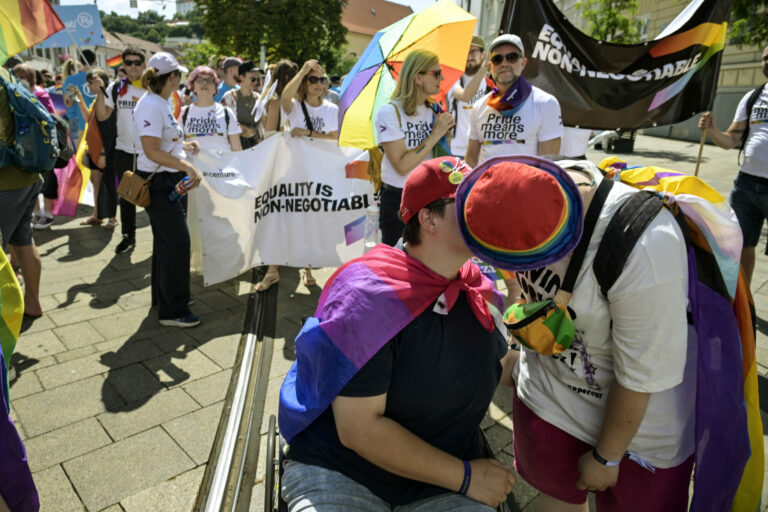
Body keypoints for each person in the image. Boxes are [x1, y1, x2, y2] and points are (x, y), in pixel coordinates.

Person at [279, 157, 521, 511]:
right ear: (428, 219)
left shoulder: (476, 286)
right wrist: (467, 477)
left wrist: (542, 335)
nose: (486, 213)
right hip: (345, 470)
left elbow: (503, 369)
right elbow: (359, 430)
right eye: (470, 204)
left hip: (445, 470)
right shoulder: (367, 296)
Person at [457, 156, 694, 512]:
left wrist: (607, 456)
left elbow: (641, 375)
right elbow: (523, 293)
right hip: (548, 399)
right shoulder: (516, 199)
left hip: (636, 430)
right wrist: (517, 344)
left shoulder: (645, 245)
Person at [256, 59, 339, 291]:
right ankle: (272, 271)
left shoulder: (331, 109)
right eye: (313, 79)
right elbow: (284, 97)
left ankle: (307, 268)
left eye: (322, 79)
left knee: (310, 221)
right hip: (293, 172)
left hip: (319, 174)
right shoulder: (293, 106)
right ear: (304, 82)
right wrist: (303, 70)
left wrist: (308, 132)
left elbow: (334, 138)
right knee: (281, 218)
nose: (319, 84)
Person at [133, 52, 203, 328]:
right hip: (160, 182)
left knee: (167, 242)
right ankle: (173, 310)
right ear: (172, 77)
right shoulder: (152, 104)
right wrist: (187, 166)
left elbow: (162, 142)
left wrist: (183, 147)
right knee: (176, 243)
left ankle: (166, 298)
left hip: (167, 180)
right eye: (179, 75)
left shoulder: (158, 102)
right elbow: (151, 151)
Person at [698, 44, 768, 288]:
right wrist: (712, 130)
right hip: (746, 184)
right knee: (741, 243)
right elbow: (730, 140)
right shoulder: (753, 98)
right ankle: (744, 297)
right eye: (765, 58)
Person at [375, 49, 455, 246]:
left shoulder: (434, 108)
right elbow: (401, 165)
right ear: (418, 77)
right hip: (398, 200)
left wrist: (446, 135)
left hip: (430, 197)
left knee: (429, 260)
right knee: (398, 261)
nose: (441, 78)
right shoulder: (389, 112)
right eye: (436, 73)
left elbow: (440, 156)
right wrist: (435, 134)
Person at [465, 34, 563, 167]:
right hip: (486, 181)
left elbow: (549, 165)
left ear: (523, 63)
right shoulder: (478, 107)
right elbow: (471, 160)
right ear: (490, 67)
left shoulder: (546, 103)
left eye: (512, 57)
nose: (504, 63)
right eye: (497, 59)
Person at [93, 47, 147, 254]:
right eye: (129, 63)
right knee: (126, 196)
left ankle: (161, 238)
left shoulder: (153, 86)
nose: (133, 67)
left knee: (154, 196)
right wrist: (100, 94)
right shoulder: (116, 87)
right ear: (123, 65)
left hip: (149, 151)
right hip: (123, 150)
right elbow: (102, 116)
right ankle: (128, 236)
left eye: (137, 63)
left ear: (144, 65)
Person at [0, 67, 43, 318]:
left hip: (5, 182)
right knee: (24, 240)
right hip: (28, 172)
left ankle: (6, 316)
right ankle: (33, 303)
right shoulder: (6, 73)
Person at [81, 68, 118, 228]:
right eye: (89, 83)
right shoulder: (97, 99)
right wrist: (78, 98)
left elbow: (106, 127)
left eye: (93, 82)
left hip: (105, 150)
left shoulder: (107, 98)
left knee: (109, 184)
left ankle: (112, 218)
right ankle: (97, 214)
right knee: (96, 183)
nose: (90, 86)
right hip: (95, 149)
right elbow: (88, 119)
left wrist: (102, 152)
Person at [447, 35, 490, 158]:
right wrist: (484, 67)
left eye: (473, 51)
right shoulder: (453, 79)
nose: (469, 56)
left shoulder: (490, 82)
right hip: (456, 150)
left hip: (481, 150)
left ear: (483, 54)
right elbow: (465, 96)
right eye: (465, 52)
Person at [222, 60, 262, 149]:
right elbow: (221, 121)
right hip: (235, 145)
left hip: (256, 146)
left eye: (258, 79)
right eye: (252, 79)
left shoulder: (259, 99)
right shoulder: (229, 97)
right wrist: (237, 127)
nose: (256, 82)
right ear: (241, 77)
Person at [263, 59, 298, 138]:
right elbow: (269, 134)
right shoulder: (274, 101)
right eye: (294, 78)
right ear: (286, 77)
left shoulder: (276, 97)